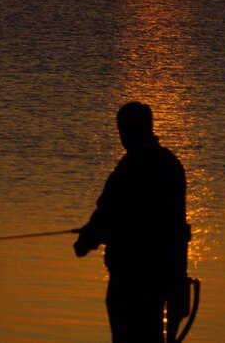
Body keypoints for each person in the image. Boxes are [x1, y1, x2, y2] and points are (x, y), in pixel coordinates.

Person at [73, 102, 190, 343]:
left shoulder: (129, 170)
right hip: (163, 276)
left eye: (124, 131)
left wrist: (87, 239)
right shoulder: (170, 165)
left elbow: (110, 215)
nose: (123, 137)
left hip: (132, 278)